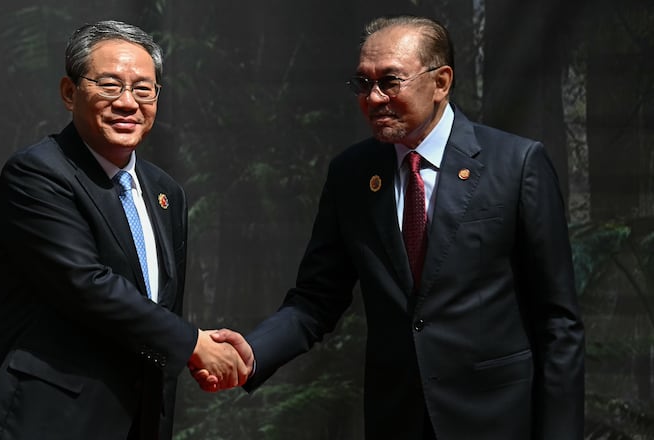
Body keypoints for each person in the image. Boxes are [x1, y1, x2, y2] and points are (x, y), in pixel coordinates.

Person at [199, 14, 585, 440]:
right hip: (396, 420)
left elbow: (558, 322)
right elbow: (315, 300)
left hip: (496, 419)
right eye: (363, 84)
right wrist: (253, 352)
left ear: (441, 82)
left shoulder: (516, 164)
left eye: (390, 81)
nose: (374, 98)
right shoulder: (352, 174)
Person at [0, 20, 249, 440]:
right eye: (110, 85)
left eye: (143, 89)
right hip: (45, 422)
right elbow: (86, 284)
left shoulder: (166, 193)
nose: (128, 102)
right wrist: (192, 343)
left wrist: (186, 358)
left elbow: (159, 310)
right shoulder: (38, 173)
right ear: (69, 92)